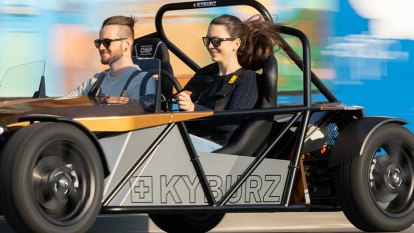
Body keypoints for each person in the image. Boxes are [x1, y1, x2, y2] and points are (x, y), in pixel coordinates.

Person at [175, 14, 282, 152]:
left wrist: (194, 108)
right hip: (196, 141)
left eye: (216, 41)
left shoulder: (247, 79)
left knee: (164, 141)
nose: (210, 46)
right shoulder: (205, 74)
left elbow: (230, 124)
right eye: (207, 40)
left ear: (236, 44)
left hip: (221, 149)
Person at [65, 15, 157, 103]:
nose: (101, 47)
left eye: (107, 42)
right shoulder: (96, 81)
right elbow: (64, 104)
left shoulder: (142, 82)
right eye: (99, 42)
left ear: (126, 44)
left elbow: (141, 113)